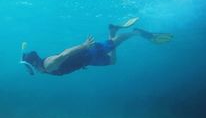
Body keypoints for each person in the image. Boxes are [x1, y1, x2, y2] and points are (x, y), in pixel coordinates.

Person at [20, 18, 173, 76]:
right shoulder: (45, 67)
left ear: (33, 64)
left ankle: (136, 32)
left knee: (114, 44)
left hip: (88, 52)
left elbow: (64, 54)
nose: (29, 71)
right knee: (113, 61)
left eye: (28, 68)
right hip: (87, 61)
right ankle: (112, 31)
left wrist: (84, 45)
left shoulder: (48, 65)